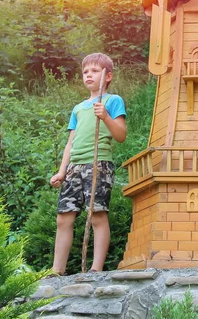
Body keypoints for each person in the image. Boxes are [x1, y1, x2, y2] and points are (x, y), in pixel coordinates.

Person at [49, 53, 127, 275]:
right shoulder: (78, 108)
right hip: (74, 167)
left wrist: (105, 117)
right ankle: (57, 270)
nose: (88, 75)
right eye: (85, 72)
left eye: (94, 71)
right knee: (63, 217)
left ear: (108, 76)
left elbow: (121, 135)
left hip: (98, 164)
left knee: (97, 215)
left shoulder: (112, 101)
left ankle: (95, 269)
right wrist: (62, 171)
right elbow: (70, 143)